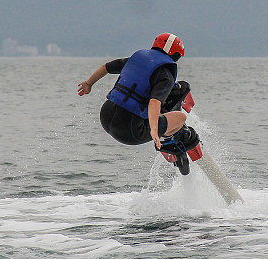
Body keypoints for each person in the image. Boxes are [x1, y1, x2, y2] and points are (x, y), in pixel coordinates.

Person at [77, 33, 199, 169]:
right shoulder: (166, 74)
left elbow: (106, 67)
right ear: (176, 55)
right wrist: (154, 130)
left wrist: (89, 83)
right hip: (130, 131)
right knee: (181, 118)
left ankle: (164, 130)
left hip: (105, 116)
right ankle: (170, 141)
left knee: (178, 88)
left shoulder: (136, 59)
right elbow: (154, 102)